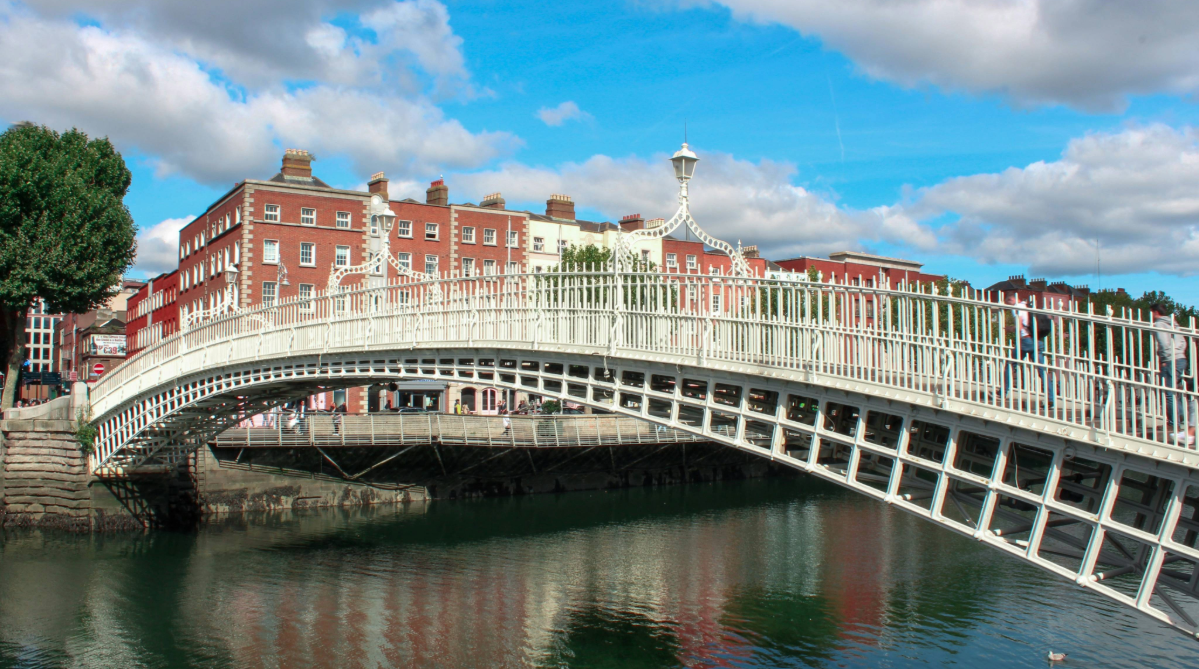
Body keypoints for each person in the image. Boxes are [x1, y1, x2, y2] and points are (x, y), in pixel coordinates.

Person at [1002, 292, 1054, 408]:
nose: (1008, 306)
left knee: (1010, 365)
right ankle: (1051, 399)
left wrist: (1010, 329)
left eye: (1008, 303)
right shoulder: (1028, 306)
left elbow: (1020, 327)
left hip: (1026, 341)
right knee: (1042, 371)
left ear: (1011, 300)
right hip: (1037, 340)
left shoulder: (1017, 308)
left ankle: (1003, 392)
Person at [1150, 303, 1190, 442]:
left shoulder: (1159, 325)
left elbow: (1163, 342)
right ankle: (1180, 415)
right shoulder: (1174, 323)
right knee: (1175, 391)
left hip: (1171, 360)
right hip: (1181, 358)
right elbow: (1183, 342)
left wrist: (1165, 358)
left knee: (1169, 393)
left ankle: (1174, 422)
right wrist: (1178, 351)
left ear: (1155, 312)